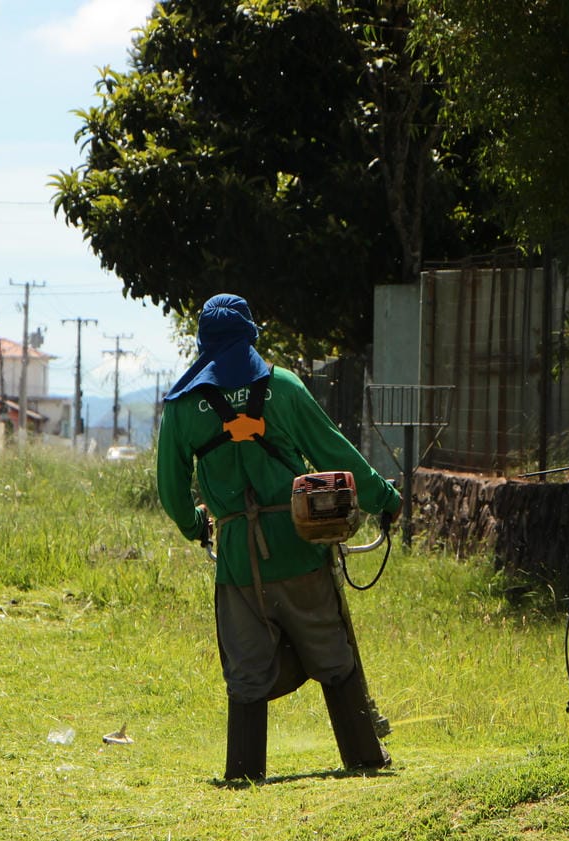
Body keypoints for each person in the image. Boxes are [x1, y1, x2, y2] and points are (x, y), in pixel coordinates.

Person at [157, 294, 402, 781]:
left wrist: (196, 526)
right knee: (332, 650)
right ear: (250, 335)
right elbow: (335, 450)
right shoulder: (284, 387)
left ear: (204, 343)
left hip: (236, 565)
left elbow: (171, 489)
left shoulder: (184, 406)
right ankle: (362, 757)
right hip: (301, 548)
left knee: (247, 668)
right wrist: (383, 498)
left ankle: (245, 772)